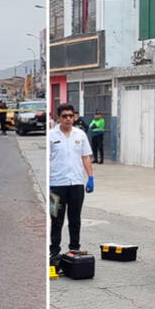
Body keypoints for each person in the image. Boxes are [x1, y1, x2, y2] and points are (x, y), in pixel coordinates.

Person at [49, 103, 94, 259]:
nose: (68, 119)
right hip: (56, 186)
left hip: (76, 184)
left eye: (71, 116)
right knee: (56, 219)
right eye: (64, 116)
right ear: (58, 118)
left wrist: (90, 177)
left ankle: (74, 248)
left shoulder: (80, 135)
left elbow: (86, 156)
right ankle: (54, 250)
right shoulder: (51, 136)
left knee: (75, 218)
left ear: (74, 117)